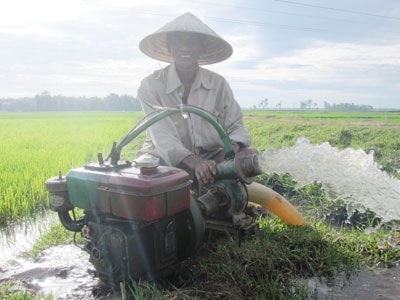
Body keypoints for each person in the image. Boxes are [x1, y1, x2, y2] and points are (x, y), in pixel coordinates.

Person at [136, 12, 251, 187]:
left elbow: (237, 127)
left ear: (202, 47)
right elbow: (164, 138)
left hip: (212, 159)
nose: (185, 47)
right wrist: (195, 163)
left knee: (249, 158)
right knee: (156, 177)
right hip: (164, 159)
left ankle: (222, 201)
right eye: (178, 40)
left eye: (192, 41)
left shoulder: (218, 84)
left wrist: (228, 153)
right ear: (168, 45)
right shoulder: (151, 85)